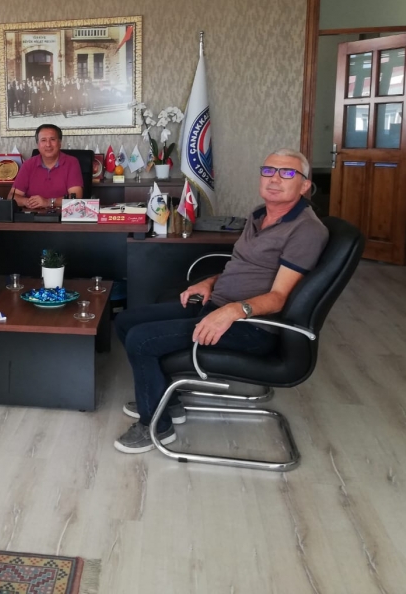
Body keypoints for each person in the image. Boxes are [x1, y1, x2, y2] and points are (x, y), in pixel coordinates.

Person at [113, 148, 329, 454]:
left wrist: (231, 311)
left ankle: (156, 426)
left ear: (305, 184)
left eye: (287, 173)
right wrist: (210, 282)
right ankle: (163, 400)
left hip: (252, 326)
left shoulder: (306, 230)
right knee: (125, 320)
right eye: (268, 171)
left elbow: (280, 297)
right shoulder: (260, 214)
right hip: (218, 304)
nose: (275, 179)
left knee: (141, 339)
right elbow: (243, 266)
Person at [10, 124, 84, 210]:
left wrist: (48, 202)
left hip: (62, 215)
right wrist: (27, 202)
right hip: (33, 214)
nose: (48, 144)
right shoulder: (28, 164)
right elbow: (12, 196)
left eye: (52, 139)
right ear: (38, 144)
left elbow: (76, 197)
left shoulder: (71, 162)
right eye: (43, 140)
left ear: (60, 143)